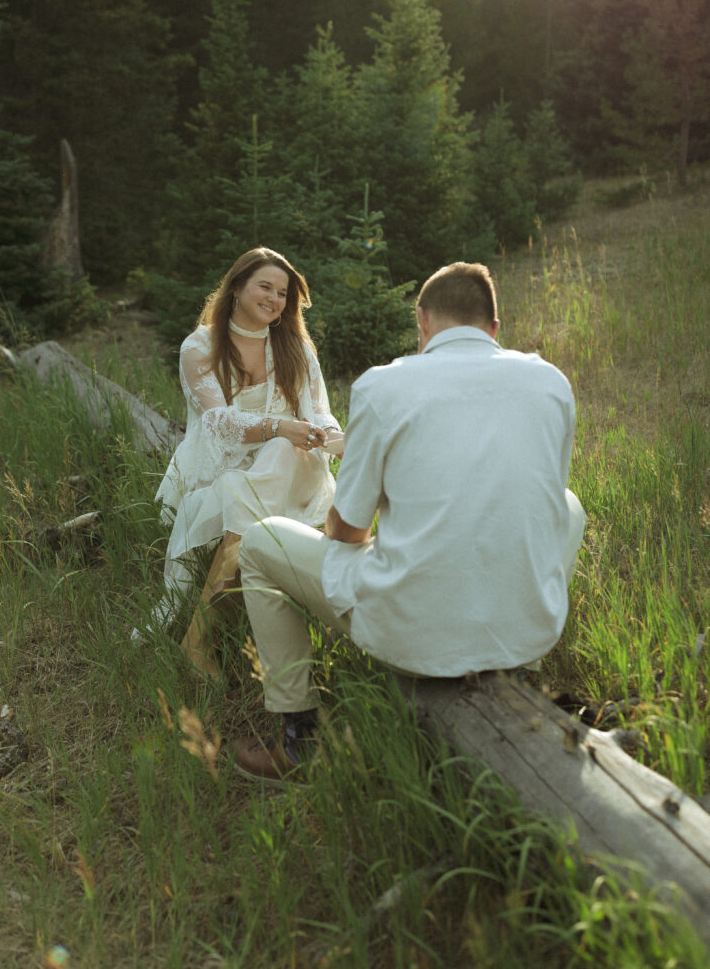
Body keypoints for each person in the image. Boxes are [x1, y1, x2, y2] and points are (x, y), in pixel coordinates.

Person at [232, 261, 587, 784]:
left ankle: (299, 739)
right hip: (529, 632)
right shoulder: (551, 383)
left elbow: (345, 530)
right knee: (570, 503)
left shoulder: (384, 386)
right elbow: (539, 506)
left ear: (422, 321)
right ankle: (516, 671)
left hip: (414, 636)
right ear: (494, 327)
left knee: (261, 544)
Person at [132, 246, 343, 677]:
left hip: (290, 466)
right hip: (224, 468)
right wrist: (281, 428)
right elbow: (217, 422)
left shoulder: (294, 347)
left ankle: (199, 637)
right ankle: (208, 633)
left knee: (284, 453)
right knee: (273, 456)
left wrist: (334, 437)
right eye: (264, 286)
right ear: (236, 290)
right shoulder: (201, 345)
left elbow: (318, 413)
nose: (274, 299)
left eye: (282, 292)